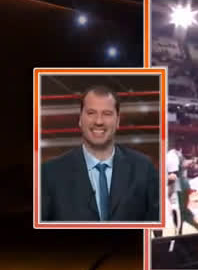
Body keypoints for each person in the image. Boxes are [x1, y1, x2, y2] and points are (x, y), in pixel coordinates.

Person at [41, 85, 160, 222]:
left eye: (107, 114)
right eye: (91, 113)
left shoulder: (143, 168)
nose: (98, 121)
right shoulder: (50, 173)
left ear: (118, 121)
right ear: (80, 119)